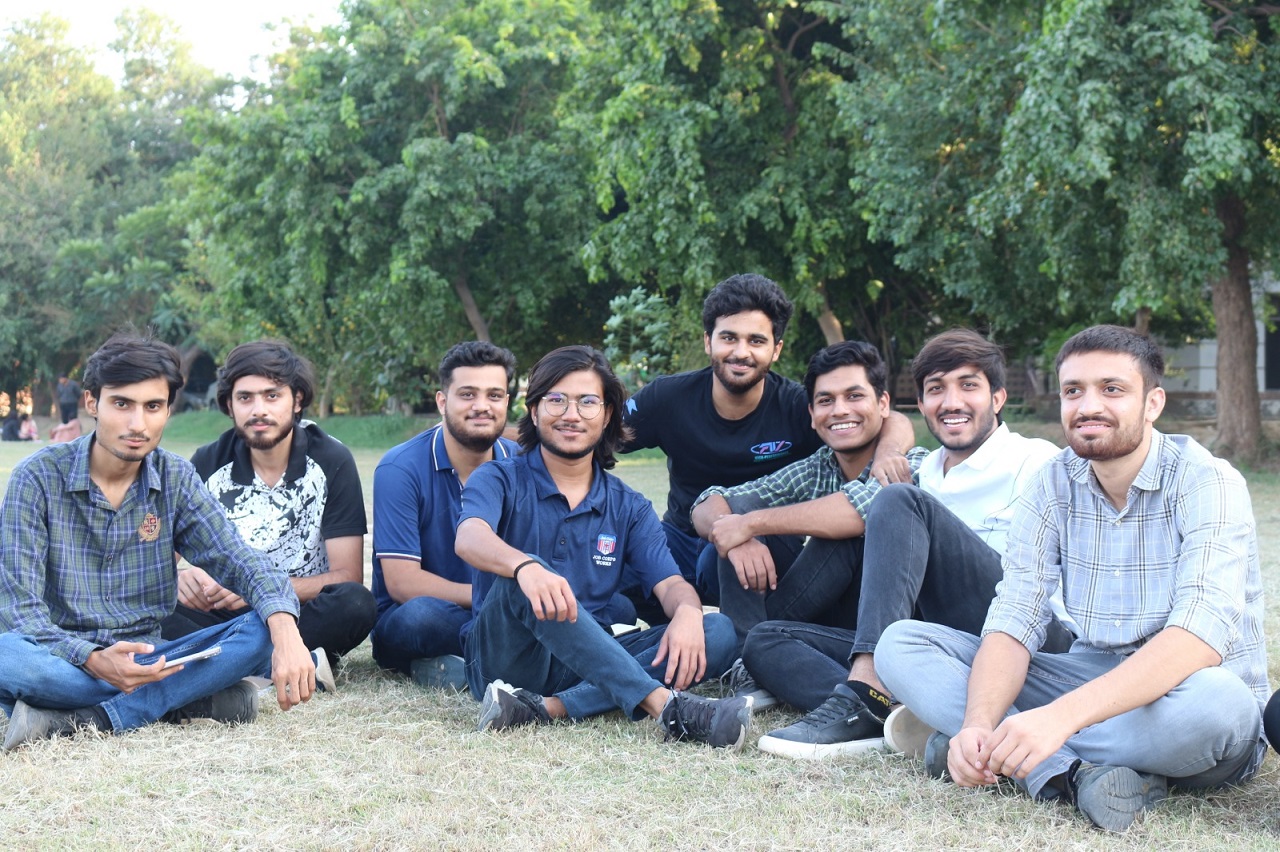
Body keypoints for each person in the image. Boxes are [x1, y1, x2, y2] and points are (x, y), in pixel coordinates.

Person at [876, 325, 1269, 833]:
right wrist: (976, 720)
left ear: (1152, 403)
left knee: (1221, 703)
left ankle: (1008, 751)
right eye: (1073, 391)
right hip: (1088, 677)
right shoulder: (1053, 482)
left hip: (1187, 698)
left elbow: (1198, 637)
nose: (1088, 406)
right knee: (901, 644)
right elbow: (1016, 615)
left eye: (1112, 389)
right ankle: (1068, 771)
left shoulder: (1206, 480)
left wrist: (1057, 719)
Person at [745, 329, 1067, 759]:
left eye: (968, 386)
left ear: (997, 398)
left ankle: (868, 690)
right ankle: (898, 713)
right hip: (932, 647)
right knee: (765, 640)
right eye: (936, 389)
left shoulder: (1037, 462)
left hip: (1026, 642)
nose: (951, 402)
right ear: (921, 404)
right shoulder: (924, 471)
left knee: (897, 500)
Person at [0, 332, 315, 751]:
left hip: (153, 656)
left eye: (153, 406)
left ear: (168, 409)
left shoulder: (175, 478)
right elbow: (20, 613)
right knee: (7, 654)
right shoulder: (36, 478)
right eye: (122, 404)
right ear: (92, 402)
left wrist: (285, 628)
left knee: (262, 630)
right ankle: (190, 699)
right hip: (62, 657)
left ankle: (87, 719)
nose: (138, 424)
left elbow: (239, 560)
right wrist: (91, 658)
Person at [456, 345, 750, 749]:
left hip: (586, 661)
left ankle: (548, 708)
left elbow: (670, 584)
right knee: (523, 573)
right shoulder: (498, 477)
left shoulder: (629, 505)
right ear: (535, 410)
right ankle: (665, 706)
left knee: (714, 630)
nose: (572, 414)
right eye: (556, 400)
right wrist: (525, 568)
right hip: (505, 658)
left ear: (608, 413)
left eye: (587, 402)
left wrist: (686, 611)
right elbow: (469, 536)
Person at [621, 273, 915, 606]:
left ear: (776, 350)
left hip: (768, 548)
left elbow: (892, 420)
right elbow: (598, 438)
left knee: (719, 561)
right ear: (708, 342)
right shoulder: (668, 397)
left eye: (756, 341)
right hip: (681, 539)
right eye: (728, 338)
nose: (741, 352)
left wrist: (889, 451)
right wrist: (735, 532)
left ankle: (750, 633)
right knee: (610, 563)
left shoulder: (797, 406)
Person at [691, 341, 929, 650]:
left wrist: (749, 524)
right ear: (813, 414)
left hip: (887, 628)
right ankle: (746, 654)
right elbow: (707, 502)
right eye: (826, 400)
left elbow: (856, 513)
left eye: (854, 396)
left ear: (883, 404)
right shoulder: (817, 467)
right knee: (736, 519)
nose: (840, 410)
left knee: (838, 533)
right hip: (819, 616)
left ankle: (754, 646)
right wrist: (737, 532)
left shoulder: (914, 464)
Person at [160, 340, 376, 675]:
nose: (259, 410)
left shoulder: (332, 460)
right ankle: (275, 664)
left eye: (272, 396)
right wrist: (176, 579)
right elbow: (156, 564)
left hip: (299, 612)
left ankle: (225, 665)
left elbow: (347, 576)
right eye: (245, 398)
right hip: (221, 613)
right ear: (229, 405)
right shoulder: (208, 462)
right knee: (150, 607)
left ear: (297, 400)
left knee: (355, 603)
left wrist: (257, 589)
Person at [369, 341, 519, 690]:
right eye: (467, 394)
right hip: (424, 616)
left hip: (499, 610)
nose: (482, 406)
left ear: (507, 402)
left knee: (613, 606)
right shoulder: (400, 468)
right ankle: (508, 653)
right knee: (420, 617)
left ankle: (463, 663)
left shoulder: (522, 463)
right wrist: (496, 599)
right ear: (442, 401)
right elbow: (403, 584)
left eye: (494, 395)